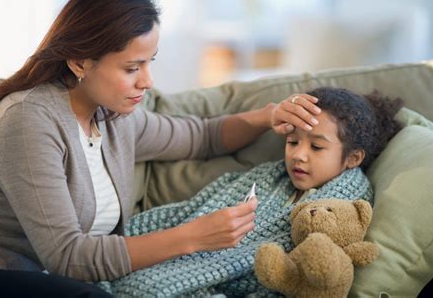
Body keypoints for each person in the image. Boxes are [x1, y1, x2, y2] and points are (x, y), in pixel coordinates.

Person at [0, 0, 322, 297]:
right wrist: (192, 237)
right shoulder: (28, 120)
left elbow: (201, 137)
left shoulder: (113, 116)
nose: (147, 81)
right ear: (79, 62)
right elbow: (68, 258)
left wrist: (267, 116)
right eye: (132, 68)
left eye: (150, 62)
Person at [98, 87, 404, 297]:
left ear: (353, 158)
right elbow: (194, 210)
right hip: (183, 255)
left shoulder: (344, 207)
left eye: (317, 146)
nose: (299, 155)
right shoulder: (266, 177)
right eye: (293, 141)